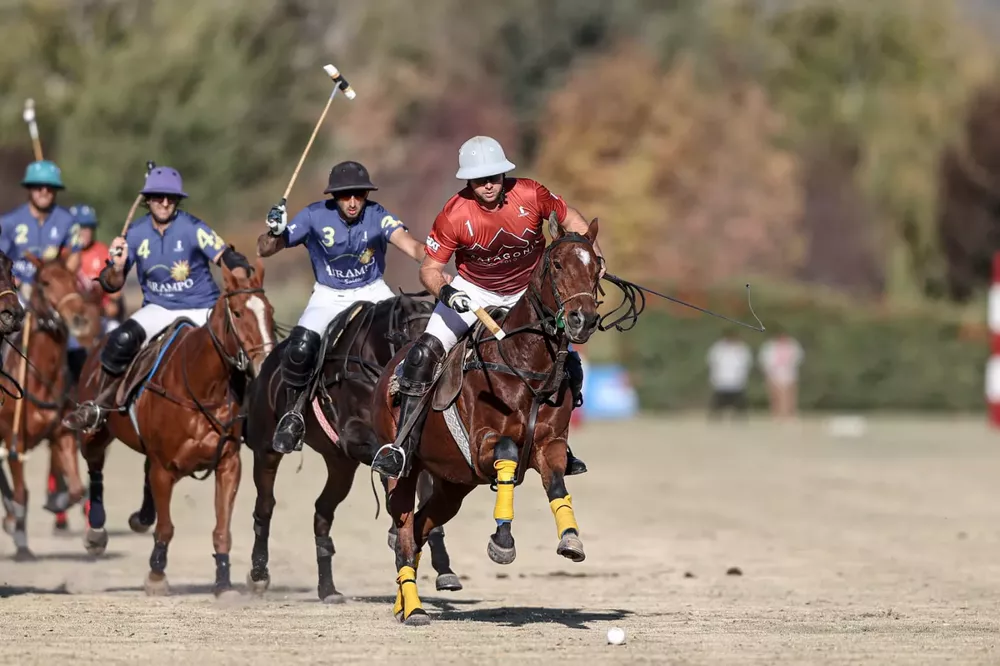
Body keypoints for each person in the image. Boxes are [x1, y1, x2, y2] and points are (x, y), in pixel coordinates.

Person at [370, 135, 605, 479]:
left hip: (530, 291)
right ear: (468, 181)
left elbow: (572, 221)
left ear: (504, 175)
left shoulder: (531, 194)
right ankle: (401, 447)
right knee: (422, 356)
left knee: (566, 359)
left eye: (494, 177)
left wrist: (592, 257)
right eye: (480, 180)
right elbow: (430, 270)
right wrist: (448, 294)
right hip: (474, 291)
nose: (488, 185)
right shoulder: (454, 214)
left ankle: (558, 442)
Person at [62, 166, 252, 432]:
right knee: (120, 340)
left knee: (242, 344)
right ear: (148, 200)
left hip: (202, 307)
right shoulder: (135, 234)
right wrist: (116, 267)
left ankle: (250, 416)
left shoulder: (193, 228)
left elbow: (228, 258)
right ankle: (98, 407)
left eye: (171, 198)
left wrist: (242, 276)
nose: (165, 203)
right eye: (159, 197)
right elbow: (110, 284)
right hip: (158, 308)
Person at [258, 161, 427, 454]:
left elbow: (412, 247)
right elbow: (265, 249)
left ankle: (417, 409)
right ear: (334, 196)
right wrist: (274, 231)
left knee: (411, 333)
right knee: (299, 348)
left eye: (359, 195)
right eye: (345, 195)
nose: (352, 202)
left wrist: (437, 255)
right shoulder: (313, 215)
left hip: (373, 290)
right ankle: (295, 413)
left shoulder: (377, 215)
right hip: (328, 294)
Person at [71, 204, 124, 338]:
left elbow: (115, 301)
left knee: (117, 336)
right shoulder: (64, 255)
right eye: (81, 228)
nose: (85, 232)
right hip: (73, 318)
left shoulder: (103, 252)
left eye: (89, 227)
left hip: (101, 316)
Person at [706, 329, 753, 420]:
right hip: (721, 379)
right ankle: (715, 417)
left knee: (739, 403)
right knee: (718, 402)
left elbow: (746, 363)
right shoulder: (718, 348)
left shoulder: (742, 348)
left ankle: (740, 418)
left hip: (737, 380)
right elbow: (712, 363)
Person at [758, 328, 804, 419]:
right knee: (776, 395)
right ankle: (777, 414)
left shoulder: (793, 345)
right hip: (774, 373)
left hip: (789, 372)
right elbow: (765, 360)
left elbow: (798, 358)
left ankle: (789, 413)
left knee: (789, 395)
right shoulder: (770, 346)